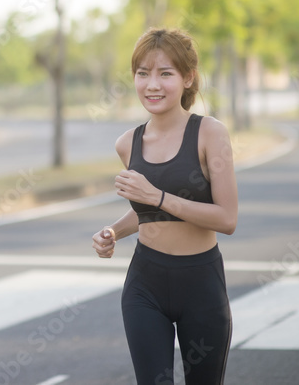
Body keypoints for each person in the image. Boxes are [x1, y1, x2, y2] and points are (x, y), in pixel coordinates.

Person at [92, 27, 238, 385]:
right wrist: (113, 231)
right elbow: (148, 213)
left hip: (200, 284)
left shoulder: (210, 133)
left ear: (188, 78)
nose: (152, 85)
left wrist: (156, 195)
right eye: (143, 73)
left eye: (165, 73)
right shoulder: (128, 143)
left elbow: (227, 218)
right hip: (145, 283)